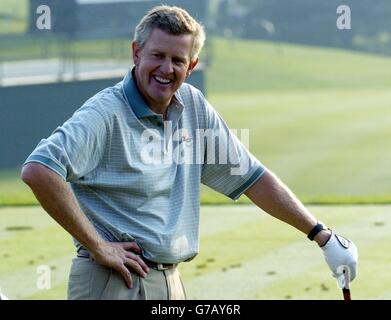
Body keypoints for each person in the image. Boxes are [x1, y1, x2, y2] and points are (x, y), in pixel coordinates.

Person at [21, 5, 357, 300]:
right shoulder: (105, 113)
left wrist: (321, 235)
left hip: (171, 281)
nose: (166, 68)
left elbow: (252, 177)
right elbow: (39, 169)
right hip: (114, 283)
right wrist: (97, 245)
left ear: (192, 65)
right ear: (136, 53)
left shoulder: (193, 105)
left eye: (177, 60)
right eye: (157, 55)